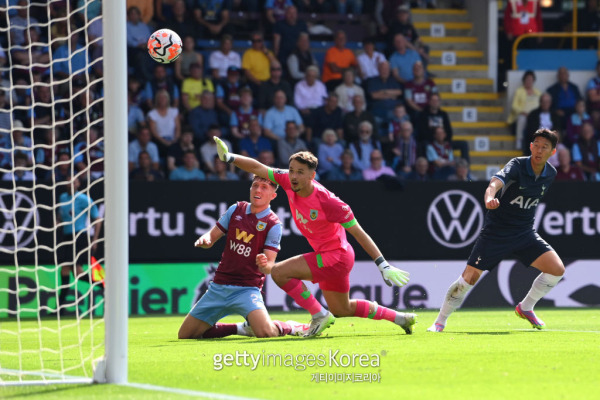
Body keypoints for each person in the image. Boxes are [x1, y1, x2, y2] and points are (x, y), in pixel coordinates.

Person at [213, 137, 416, 337]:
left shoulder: (330, 202)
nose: (293, 176)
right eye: (291, 170)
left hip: (336, 256)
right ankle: (401, 318)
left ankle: (319, 315)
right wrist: (229, 157)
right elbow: (258, 167)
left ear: (312, 175)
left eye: (300, 172)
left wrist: (383, 265)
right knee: (342, 309)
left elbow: (359, 233)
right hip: (332, 256)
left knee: (279, 273)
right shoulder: (286, 180)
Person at [428, 128, 565, 333]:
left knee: (557, 269)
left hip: (524, 233)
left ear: (552, 152)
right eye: (536, 144)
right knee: (468, 280)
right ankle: (440, 321)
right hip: (496, 233)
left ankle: (526, 307)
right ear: (530, 146)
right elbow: (494, 183)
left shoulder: (551, 174)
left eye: (544, 147)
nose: (538, 149)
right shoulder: (517, 165)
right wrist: (489, 198)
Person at [178, 175, 308, 339]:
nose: (258, 190)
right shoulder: (236, 209)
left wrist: (263, 263)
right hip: (219, 286)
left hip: (247, 289)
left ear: (273, 196)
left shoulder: (273, 224)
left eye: (264, 187)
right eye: (255, 185)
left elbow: (269, 266)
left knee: (266, 333)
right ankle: (241, 328)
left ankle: (288, 326)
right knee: (186, 335)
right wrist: (206, 239)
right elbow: (211, 237)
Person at [56, 175, 103, 314]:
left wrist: (94, 239)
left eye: (73, 181)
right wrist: (57, 222)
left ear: (78, 184)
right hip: (66, 236)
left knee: (74, 272)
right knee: (67, 271)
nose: (70, 183)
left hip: (79, 236)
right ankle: (60, 309)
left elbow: (97, 219)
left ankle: (105, 285)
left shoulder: (84, 199)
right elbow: (61, 216)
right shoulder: (63, 198)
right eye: (68, 181)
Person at [507, 70, 541, 151]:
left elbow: (541, 104)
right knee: (522, 118)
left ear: (533, 81)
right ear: (524, 80)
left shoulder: (537, 92)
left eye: (530, 79)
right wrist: (523, 112)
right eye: (527, 79)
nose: (529, 81)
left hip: (535, 115)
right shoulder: (519, 91)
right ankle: (519, 140)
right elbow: (514, 106)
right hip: (523, 114)